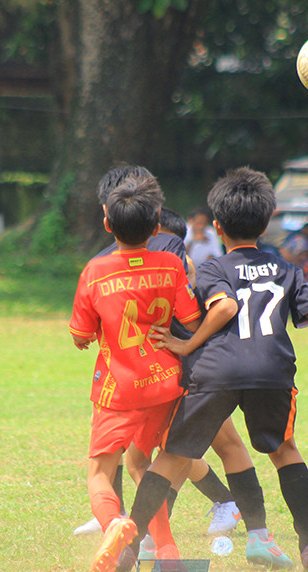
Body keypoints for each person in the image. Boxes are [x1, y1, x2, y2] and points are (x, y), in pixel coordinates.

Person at [92, 167, 308, 572]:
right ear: (268, 220)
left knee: (170, 458)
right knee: (284, 451)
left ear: (218, 225)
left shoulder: (211, 269)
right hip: (272, 373)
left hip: (216, 372)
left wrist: (184, 344)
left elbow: (217, 308)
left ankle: (130, 549)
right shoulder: (287, 269)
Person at [71, 176, 241, 538]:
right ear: (154, 225)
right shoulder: (169, 263)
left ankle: (117, 522)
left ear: (106, 222)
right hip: (169, 377)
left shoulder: (97, 269)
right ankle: (158, 544)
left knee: (114, 467)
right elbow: (193, 318)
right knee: (154, 462)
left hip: (127, 382)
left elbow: (80, 334)